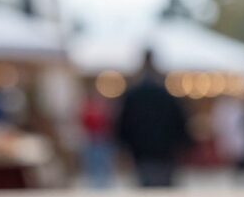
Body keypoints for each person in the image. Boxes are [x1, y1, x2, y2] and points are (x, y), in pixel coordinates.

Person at [115, 51, 192, 188]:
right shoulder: (166, 94)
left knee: (147, 192)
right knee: (163, 191)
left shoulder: (133, 94)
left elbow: (123, 124)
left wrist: (124, 147)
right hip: (164, 152)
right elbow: (180, 122)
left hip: (142, 153)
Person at [79, 84, 115, 189]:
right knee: (93, 162)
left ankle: (104, 181)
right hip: (92, 139)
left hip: (102, 139)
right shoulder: (88, 108)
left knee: (103, 161)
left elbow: (108, 123)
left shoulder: (102, 108)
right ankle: (95, 181)